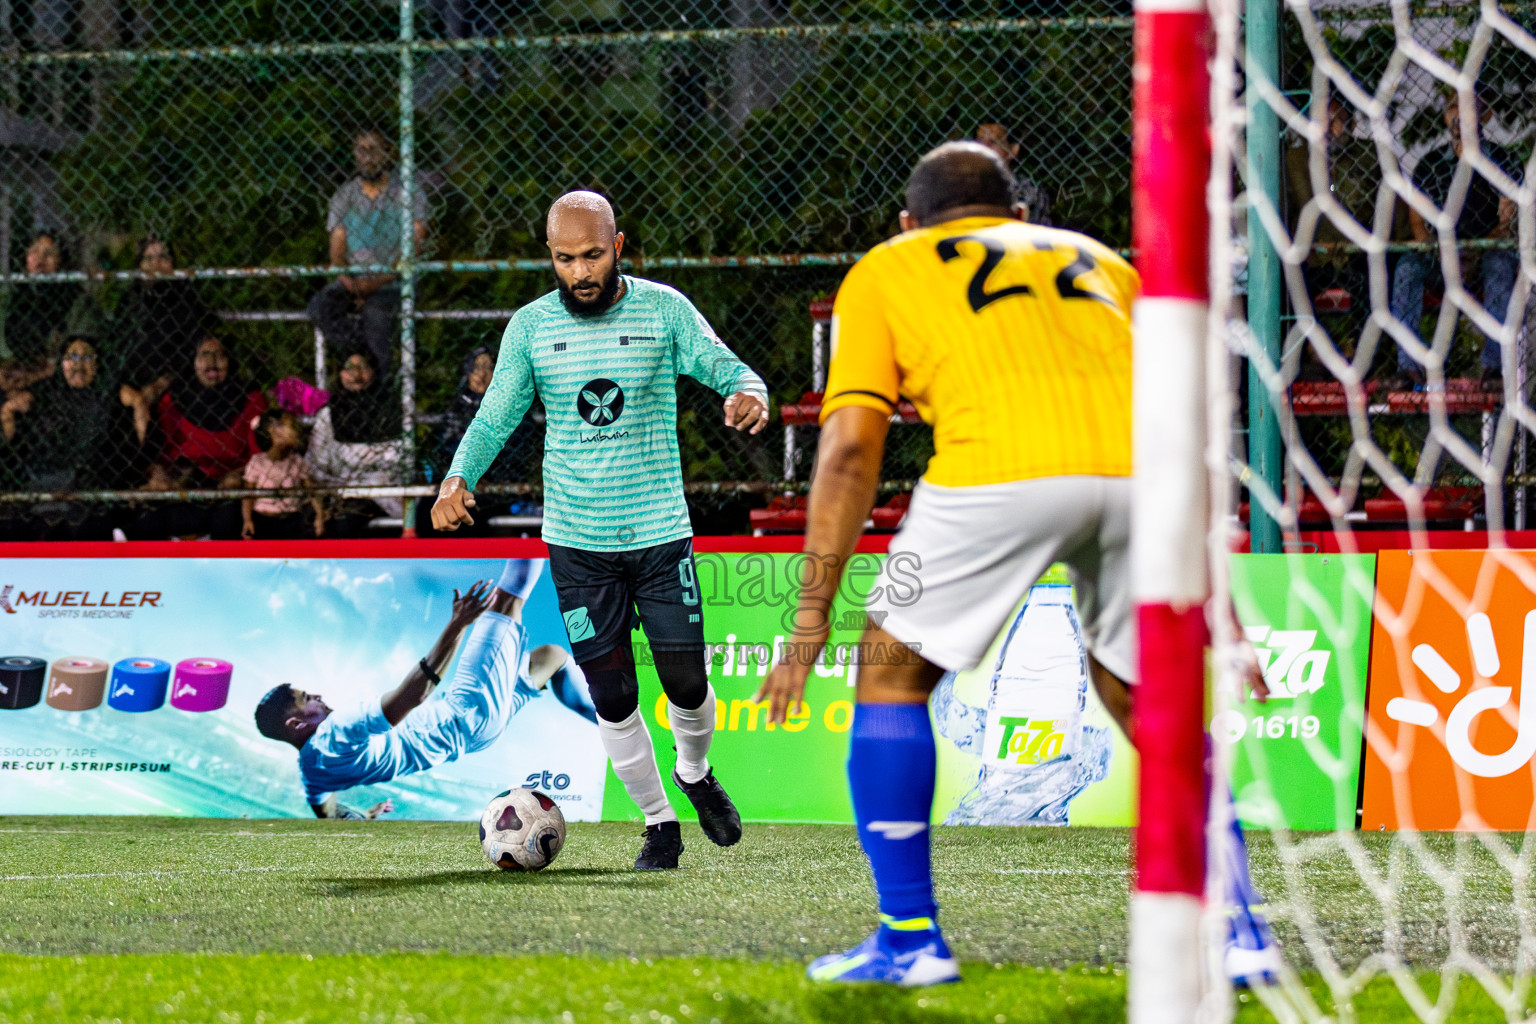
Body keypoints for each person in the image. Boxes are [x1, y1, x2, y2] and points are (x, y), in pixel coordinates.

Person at [754, 142, 1274, 985]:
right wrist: (1218, 594)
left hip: (999, 474)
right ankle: (1242, 931)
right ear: (1021, 217)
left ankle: (908, 939)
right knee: (1142, 699)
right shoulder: (1102, 263)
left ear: (907, 223)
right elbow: (1189, 425)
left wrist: (810, 619)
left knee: (890, 675)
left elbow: (851, 450)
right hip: (1144, 479)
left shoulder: (888, 268)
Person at [431, 191, 770, 870]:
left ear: (619, 246)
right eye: (565, 259)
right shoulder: (529, 328)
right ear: (550, 257)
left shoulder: (664, 309)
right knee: (612, 694)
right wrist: (455, 478)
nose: (580, 271)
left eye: (591, 255)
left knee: (685, 682)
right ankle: (659, 824)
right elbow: (496, 416)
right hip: (579, 546)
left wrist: (749, 393)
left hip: (658, 532)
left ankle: (695, 773)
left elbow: (725, 365)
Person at [253, 563, 597, 819]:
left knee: (550, 657)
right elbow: (412, 695)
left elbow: (326, 812)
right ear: (296, 725)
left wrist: (362, 818)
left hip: (475, 735)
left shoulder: (311, 772)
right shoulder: (337, 731)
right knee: (507, 600)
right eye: (305, 699)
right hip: (466, 711)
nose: (317, 695)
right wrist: (457, 625)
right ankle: (537, 523)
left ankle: (606, 720)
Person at [1391, 90, 1520, 388]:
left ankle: (1492, 369)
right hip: (1441, 256)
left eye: (1469, 109)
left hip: (1485, 254)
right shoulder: (1431, 163)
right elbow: (1416, 219)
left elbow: (1508, 219)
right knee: (1407, 267)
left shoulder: (1502, 159)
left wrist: (1475, 250)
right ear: (1445, 116)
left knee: (1500, 263)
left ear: (1484, 117)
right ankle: (1408, 367)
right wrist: (1435, 250)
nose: (1459, 115)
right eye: (1452, 108)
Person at [307, 129, 428, 377]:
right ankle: (361, 356)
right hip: (353, 281)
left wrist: (371, 285)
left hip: (394, 281)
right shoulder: (345, 196)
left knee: (376, 314)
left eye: (375, 149)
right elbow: (337, 253)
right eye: (361, 149)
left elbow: (414, 245)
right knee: (320, 306)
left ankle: (381, 385)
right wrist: (352, 284)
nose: (367, 156)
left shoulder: (408, 193)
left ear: (388, 153)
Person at [0, 335, 135, 539]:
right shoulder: (43, 394)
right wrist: (8, 412)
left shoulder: (109, 398)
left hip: (89, 486)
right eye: (72, 357)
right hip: (43, 480)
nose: (79, 365)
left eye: (87, 358)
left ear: (97, 364)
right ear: (61, 363)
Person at [419, 344, 543, 536]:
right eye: (476, 368)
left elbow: (521, 455)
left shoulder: (516, 408)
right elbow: (440, 453)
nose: (483, 375)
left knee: (471, 510)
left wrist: (482, 477)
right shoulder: (456, 410)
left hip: (498, 489)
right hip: (459, 484)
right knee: (427, 509)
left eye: (490, 367)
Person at [308, 347, 408, 535]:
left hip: (388, 486)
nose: (356, 374)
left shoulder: (391, 409)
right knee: (343, 524)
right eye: (349, 367)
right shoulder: (330, 413)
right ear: (339, 372)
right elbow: (318, 461)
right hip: (346, 490)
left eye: (363, 366)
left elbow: (400, 456)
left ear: (373, 371)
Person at [114, 237, 208, 418]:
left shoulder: (186, 297)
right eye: (149, 258)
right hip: (131, 383)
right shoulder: (130, 299)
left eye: (163, 256)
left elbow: (192, 347)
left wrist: (161, 384)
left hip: (175, 384)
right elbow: (118, 346)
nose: (157, 263)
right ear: (140, 265)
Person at [0, 232, 97, 391]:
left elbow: (75, 350)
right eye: (34, 251)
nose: (40, 259)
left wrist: (34, 376)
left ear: (61, 260)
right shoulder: (10, 295)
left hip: (53, 383)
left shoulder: (73, 298)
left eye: (49, 253)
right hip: (9, 374)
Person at [242, 408, 325, 540]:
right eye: (292, 426)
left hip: (291, 519)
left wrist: (319, 517)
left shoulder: (297, 461)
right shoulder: (258, 462)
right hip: (263, 520)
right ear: (275, 432)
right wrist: (248, 521)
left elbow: (311, 491)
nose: (297, 431)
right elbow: (248, 495)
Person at [974, 121, 1052, 226]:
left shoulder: (1030, 191)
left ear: (1013, 150)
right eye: (980, 141)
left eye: (993, 141)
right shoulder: (960, 185)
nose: (984, 146)